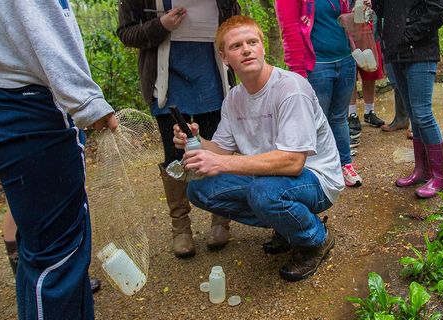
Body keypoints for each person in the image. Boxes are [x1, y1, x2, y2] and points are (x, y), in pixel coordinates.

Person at [0, 1, 117, 318]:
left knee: (41, 250)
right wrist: (86, 101)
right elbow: (37, 19)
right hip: (26, 104)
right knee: (58, 259)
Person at [174, 16, 342, 282]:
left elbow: (292, 163)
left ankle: (315, 238)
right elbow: (220, 150)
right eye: (236, 46)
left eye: (252, 42)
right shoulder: (234, 98)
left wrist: (220, 163)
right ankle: (288, 227)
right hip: (271, 178)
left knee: (263, 193)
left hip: (316, 179)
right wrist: (195, 142)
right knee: (200, 189)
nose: (246, 50)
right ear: (224, 57)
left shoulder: (290, 88)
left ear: (263, 47)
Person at [0, 70, 102, 293]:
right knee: (34, 195)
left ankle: (33, 273)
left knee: (26, 197)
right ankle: (38, 273)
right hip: (20, 109)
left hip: (1, 111)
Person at [117, 0, 240, 259]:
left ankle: (220, 219)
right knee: (175, 153)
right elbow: (127, 33)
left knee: (218, 147)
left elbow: (235, 21)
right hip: (166, 80)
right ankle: (180, 227)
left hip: (212, 74)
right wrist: (161, 25)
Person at [277, 0, 363, 187]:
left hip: (346, 59)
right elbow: (290, 29)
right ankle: (318, 170)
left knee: (339, 117)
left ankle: (344, 164)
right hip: (317, 66)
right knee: (315, 121)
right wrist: (298, 73)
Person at [373, 0, 443, 198]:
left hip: (420, 52)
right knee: (414, 116)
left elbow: (440, 10)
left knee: (423, 114)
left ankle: (440, 178)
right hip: (395, 53)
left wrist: (407, 36)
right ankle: (422, 171)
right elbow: (382, 10)